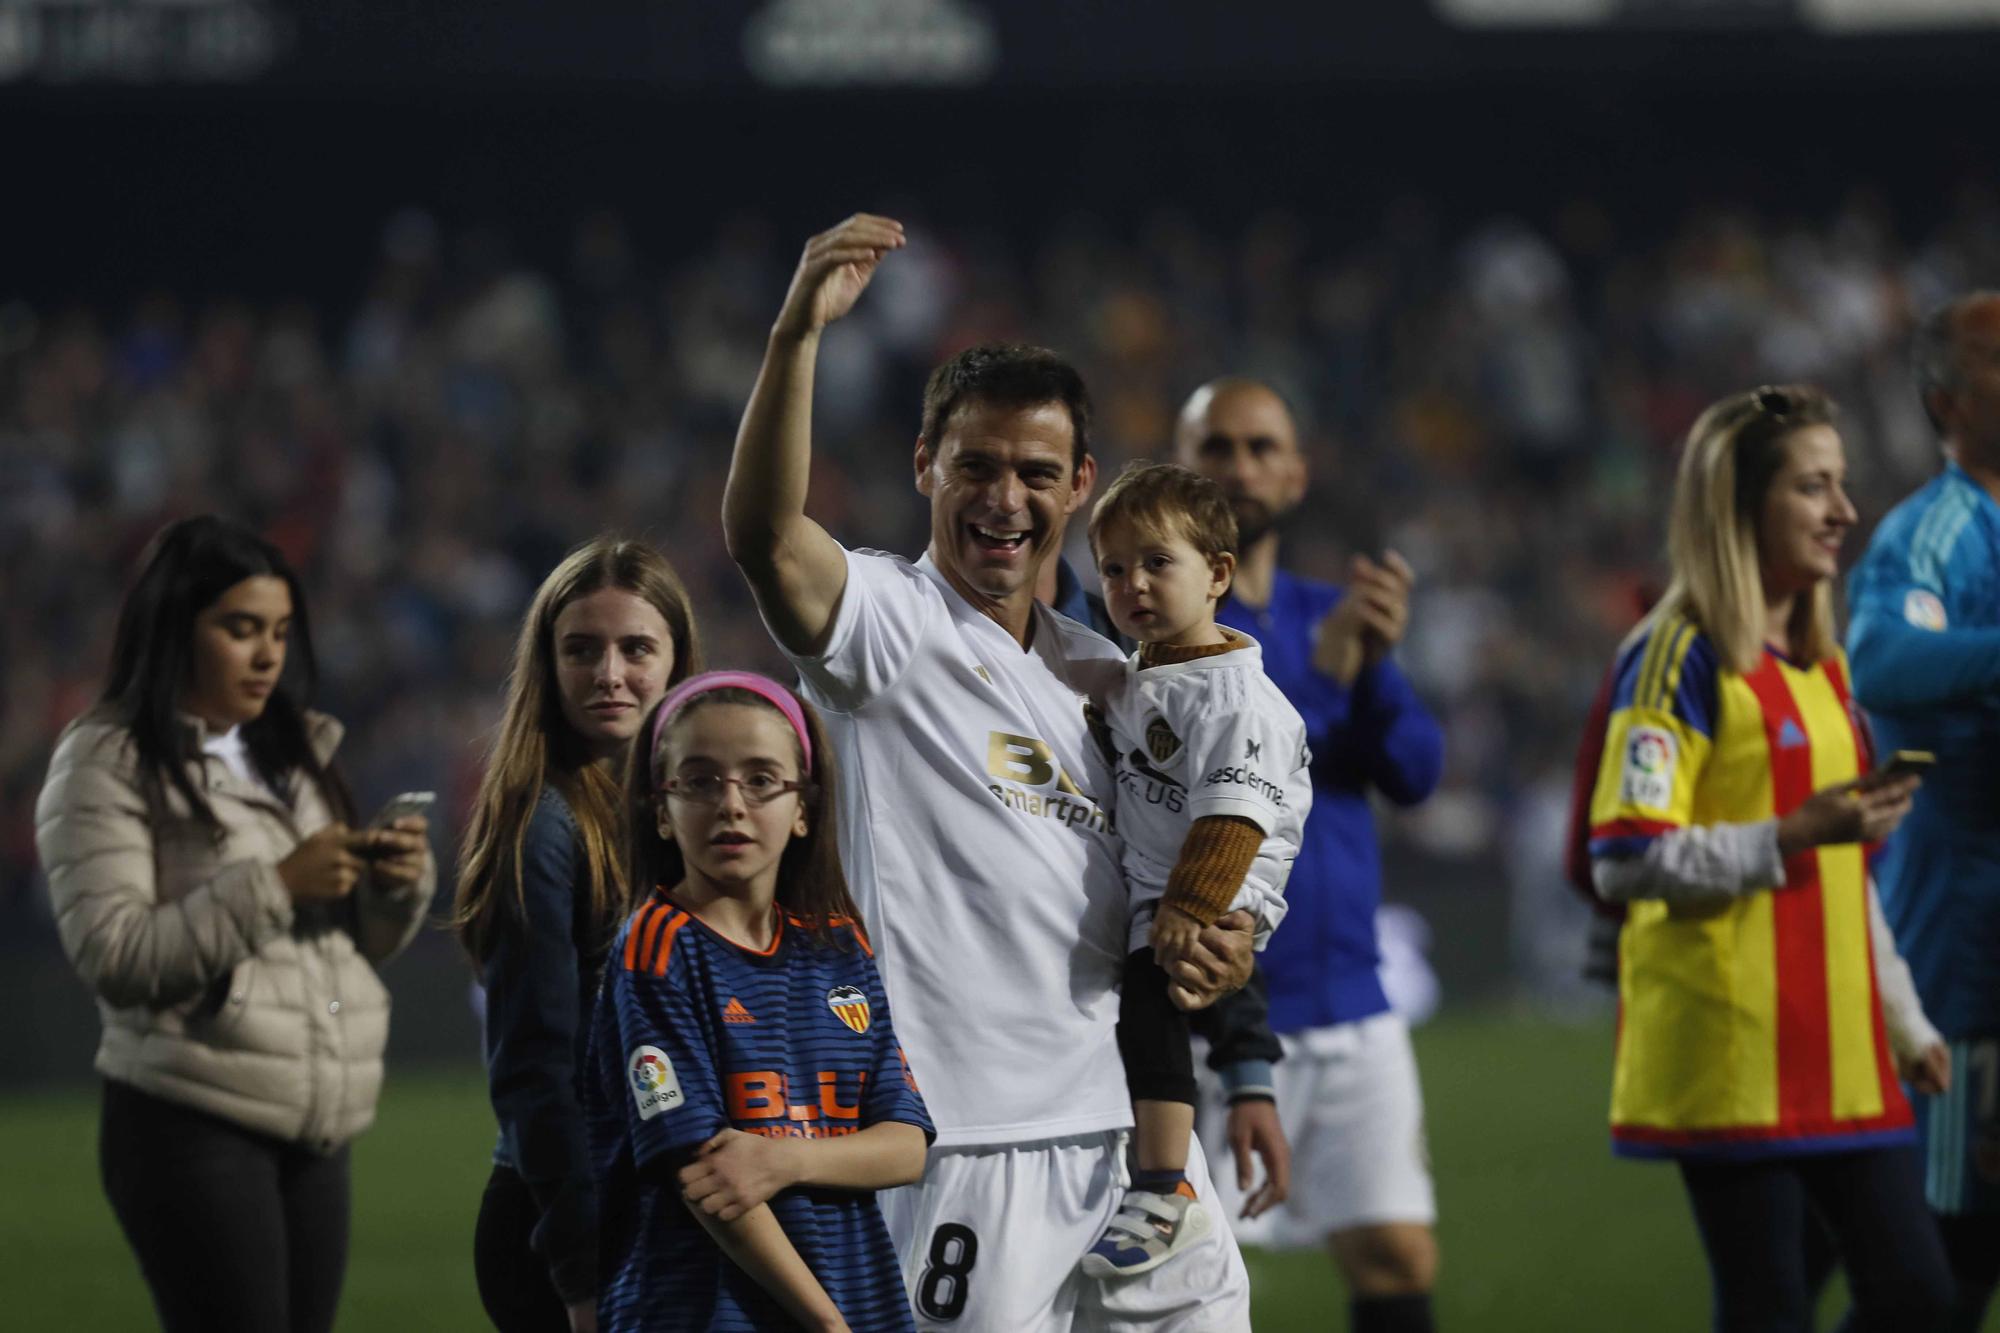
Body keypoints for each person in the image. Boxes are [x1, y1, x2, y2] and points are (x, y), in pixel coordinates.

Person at [723, 213, 1255, 1331]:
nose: (1001, 499)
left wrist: (1222, 935)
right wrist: (794, 338)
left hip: (1132, 1150)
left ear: (1079, 485)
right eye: (973, 466)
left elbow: (1175, 873)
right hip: (958, 1146)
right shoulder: (885, 628)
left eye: (1032, 472)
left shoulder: (1117, 680)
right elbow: (768, 537)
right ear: (924, 465)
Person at [1586, 384, 1955, 1331]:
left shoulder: (1829, 666)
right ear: (1742, 506)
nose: (1845, 511)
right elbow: (1624, 857)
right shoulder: (1677, 655)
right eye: (1814, 487)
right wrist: (1788, 836)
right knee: (1768, 1310)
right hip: (1730, 1046)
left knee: (1919, 1295)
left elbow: (1848, 876)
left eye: (1842, 484)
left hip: (1842, 1048)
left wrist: (1906, 1020)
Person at [33, 515, 435, 1333]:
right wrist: (279, 885)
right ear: (175, 627)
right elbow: (113, 953)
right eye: (240, 628)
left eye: (281, 631)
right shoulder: (104, 760)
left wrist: (393, 886)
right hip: (187, 1119)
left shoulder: (292, 751)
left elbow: (349, 950)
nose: (267, 654)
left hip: (316, 1122)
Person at [1173, 378, 1444, 1333]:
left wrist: (1368, 673)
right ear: (1182, 472)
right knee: (1169, 1275)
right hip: (1208, 1009)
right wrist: (1327, 682)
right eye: (1218, 448)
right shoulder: (1156, 624)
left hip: (1349, 995)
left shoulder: (1334, 612)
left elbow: (1416, 769)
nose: (1240, 467)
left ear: (1296, 471)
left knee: (1396, 1254)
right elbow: (1225, 761)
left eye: (1260, 447)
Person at [581, 671, 932, 1332]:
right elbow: (709, 1179)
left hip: (855, 1301)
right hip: (708, 1311)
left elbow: (906, 1144)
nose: (732, 804)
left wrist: (782, 1157)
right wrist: (824, 1321)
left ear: (803, 807)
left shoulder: (838, 948)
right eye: (701, 780)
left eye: (761, 779)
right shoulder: (656, 950)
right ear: (661, 808)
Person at [453, 536, 702, 1332]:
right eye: (582, 649)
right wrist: (581, 1272)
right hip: (573, 1228)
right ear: (547, 664)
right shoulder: (546, 828)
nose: (609, 673)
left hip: (662, 1207)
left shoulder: (688, 815)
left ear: (676, 659)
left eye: (636, 648)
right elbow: (535, 1075)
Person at [1077, 461, 1310, 1279]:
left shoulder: (1231, 698)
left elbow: (1231, 816)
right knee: (1185, 1007)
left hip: (1208, 888)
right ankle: (1214, 1122)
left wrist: (1189, 903)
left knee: (1155, 1005)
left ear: (1218, 573)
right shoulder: (1151, 672)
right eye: (1112, 567)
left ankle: (1162, 1183)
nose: (1132, 583)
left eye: (1155, 563)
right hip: (1164, 885)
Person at [1848, 291, 2000, 1330]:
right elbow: (1884, 657)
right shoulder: (1935, 531)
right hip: (1969, 956)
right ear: (1946, 397)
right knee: (1941, 1275)